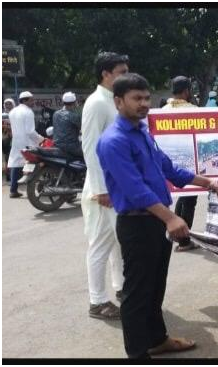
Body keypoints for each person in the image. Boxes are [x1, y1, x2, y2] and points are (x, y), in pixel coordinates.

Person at [97, 73, 218, 359]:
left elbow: (167, 167)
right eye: (136, 98)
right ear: (118, 101)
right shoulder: (113, 141)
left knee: (155, 287)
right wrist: (170, 218)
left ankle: (157, 339)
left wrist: (205, 182)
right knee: (137, 293)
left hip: (155, 222)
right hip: (138, 223)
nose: (143, 104)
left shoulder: (142, 131)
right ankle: (138, 354)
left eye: (146, 98)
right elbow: (135, 189)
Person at [81, 51, 129, 320]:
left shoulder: (112, 100)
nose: (126, 75)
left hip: (116, 185)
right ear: (106, 74)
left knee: (117, 242)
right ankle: (97, 302)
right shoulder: (96, 103)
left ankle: (120, 287)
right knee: (101, 244)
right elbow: (90, 148)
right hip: (104, 189)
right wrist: (101, 189)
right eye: (121, 71)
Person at [161, 76, 201, 252]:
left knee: (180, 198)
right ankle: (184, 240)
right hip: (189, 162)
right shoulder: (194, 110)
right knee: (189, 199)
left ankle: (175, 232)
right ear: (186, 91)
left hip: (169, 163)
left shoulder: (163, 110)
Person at [8, 91, 45, 198]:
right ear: (25, 100)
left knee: (16, 164)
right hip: (27, 142)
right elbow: (30, 131)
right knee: (35, 163)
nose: (33, 102)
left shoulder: (12, 111)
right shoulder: (28, 112)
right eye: (31, 100)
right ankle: (37, 188)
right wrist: (41, 139)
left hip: (16, 141)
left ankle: (13, 190)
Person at [52, 92, 83, 159]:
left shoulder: (56, 114)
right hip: (71, 147)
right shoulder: (73, 116)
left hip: (56, 144)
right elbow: (83, 129)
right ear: (74, 103)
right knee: (91, 152)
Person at [3, 98, 15, 180]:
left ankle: (14, 175)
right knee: (6, 157)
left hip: (15, 138)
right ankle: (8, 175)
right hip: (4, 139)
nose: (8, 105)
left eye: (9, 104)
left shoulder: (16, 114)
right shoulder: (2, 115)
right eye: (6, 104)